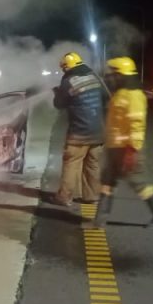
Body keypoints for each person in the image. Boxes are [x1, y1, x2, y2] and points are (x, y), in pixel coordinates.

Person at [86, 56, 153, 229]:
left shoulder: (134, 96)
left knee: (139, 184)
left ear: (121, 75)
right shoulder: (120, 93)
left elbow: (137, 125)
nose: (110, 78)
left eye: (113, 75)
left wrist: (132, 151)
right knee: (107, 183)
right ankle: (99, 220)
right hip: (114, 148)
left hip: (128, 149)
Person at [51, 51, 107, 206]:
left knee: (72, 164)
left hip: (79, 133)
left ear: (68, 67)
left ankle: (64, 197)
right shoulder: (95, 77)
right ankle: (91, 196)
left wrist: (57, 93)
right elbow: (107, 99)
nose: (63, 72)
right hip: (98, 132)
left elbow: (59, 104)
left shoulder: (68, 81)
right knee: (92, 165)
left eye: (64, 69)